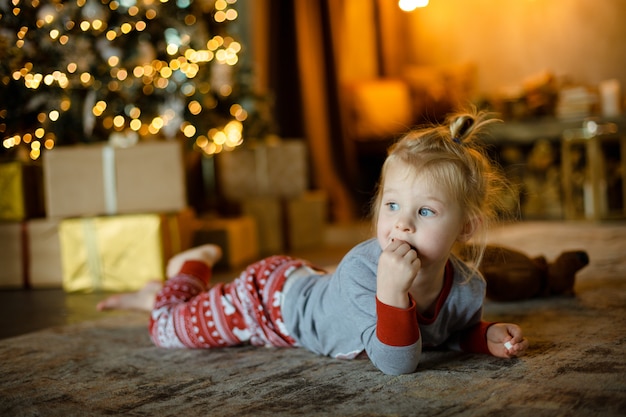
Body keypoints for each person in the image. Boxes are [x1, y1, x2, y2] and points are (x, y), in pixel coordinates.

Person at [98, 109, 529, 375]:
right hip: (268, 302)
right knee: (167, 329)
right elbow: (397, 364)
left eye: (426, 211)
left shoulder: (468, 285)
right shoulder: (367, 269)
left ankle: (157, 293)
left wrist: (483, 337)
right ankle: (189, 269)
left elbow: (442, 334)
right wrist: (392, 290)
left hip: (309, 287)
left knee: (174, 311)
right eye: (393, 205)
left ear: (467, 228)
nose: (403, 225)